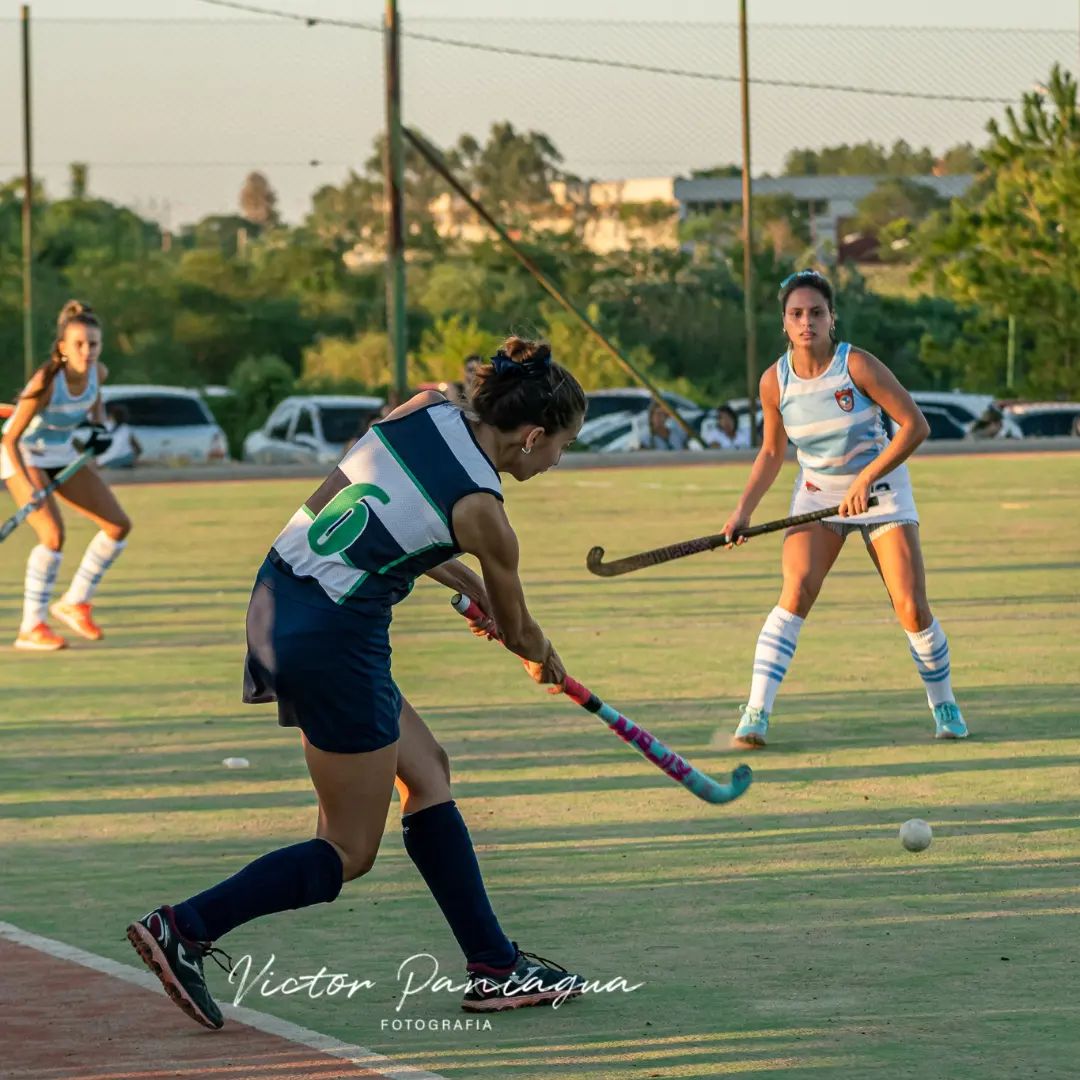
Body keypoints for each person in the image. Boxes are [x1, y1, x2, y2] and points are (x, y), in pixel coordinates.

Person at [127, 336, 589, 1029]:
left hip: (280, 598)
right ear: (530, 437)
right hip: (333, 640)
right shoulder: (485, 511)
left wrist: (467, 583)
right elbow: (521, 630)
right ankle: (184, 927)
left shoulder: (426, 408)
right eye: (562, 446)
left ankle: (494, 965)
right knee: (348, 850)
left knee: (427, 771)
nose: (558, 460)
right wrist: (540, 653)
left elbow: (388, 514)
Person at [717, 269, 968, 749]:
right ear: (784, 324)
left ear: (832, 318)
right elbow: (772, 452)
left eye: (816, 312)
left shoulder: (858, 366)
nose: (806, 321)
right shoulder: (775, 381)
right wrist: (743, 510)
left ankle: (944, 704)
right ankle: (755, 713)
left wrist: (867, 477)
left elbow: (915, 426)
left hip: (881, 487)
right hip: (817, 493)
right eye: (796, 314)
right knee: (795, 592)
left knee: (911, 607)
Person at [1, 300, 132, 650]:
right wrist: (28, 488)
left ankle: (74, 602)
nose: (87, 351)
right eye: (78, 344)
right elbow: (10, 438)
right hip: (24, 453)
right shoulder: (47, 381)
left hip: (62, 453)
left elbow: (95, 403)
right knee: (52, 535)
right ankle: (32, 626)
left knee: (118, 526)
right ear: (62, 347)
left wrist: (99, 429)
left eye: (93, 344)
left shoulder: (97, 372)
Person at [96, 402, 142, 469]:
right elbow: (139, 449)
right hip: (125, 460)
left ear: (110, 416)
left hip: (105, 462)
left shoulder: (103, 427)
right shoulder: (126, 428)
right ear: (125, 417)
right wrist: (135, 460)